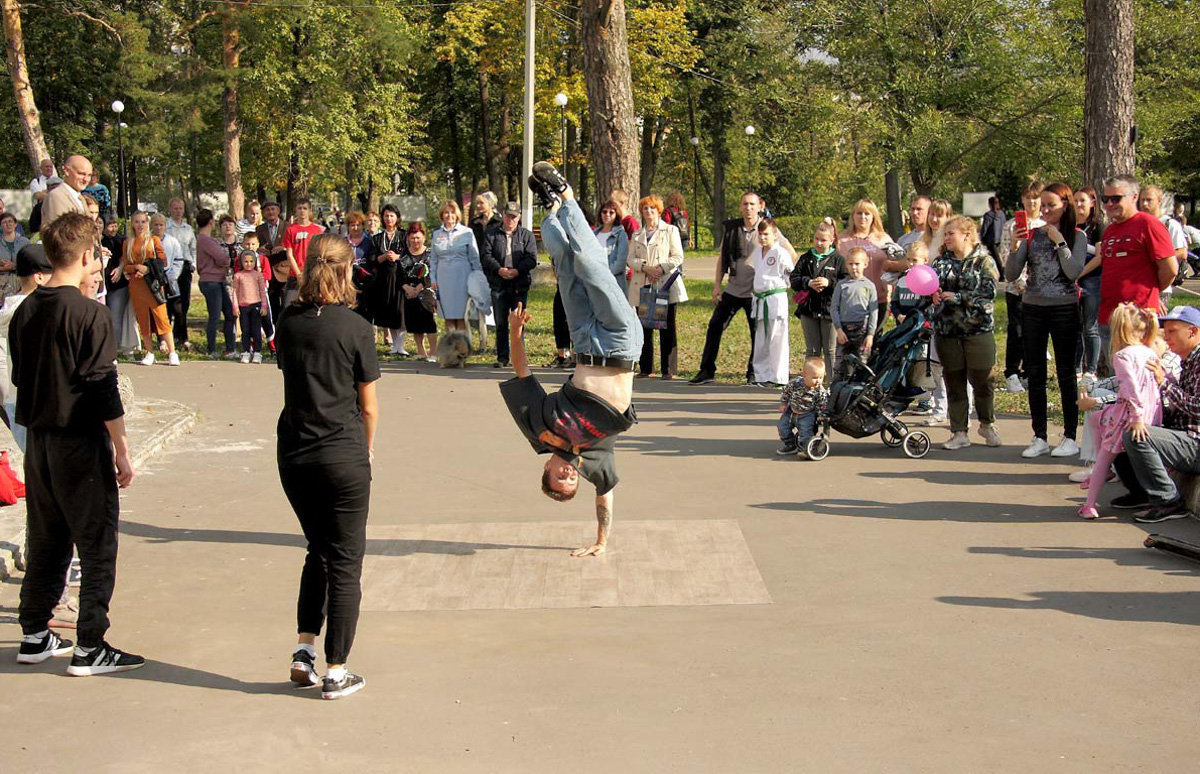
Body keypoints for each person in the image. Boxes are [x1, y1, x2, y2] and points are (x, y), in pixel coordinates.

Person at [12, 212, 141, 675]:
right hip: (77, 442)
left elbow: (19, 375)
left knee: (46, 537)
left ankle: (34, 632)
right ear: (87, 255)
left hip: (40, 441)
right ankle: (91, 644)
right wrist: (121, 449)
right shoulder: (89, 313)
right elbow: (102, 386)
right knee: (95, 540)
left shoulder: (25, 308)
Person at [503, 163, 642, 557]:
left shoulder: (538, 430)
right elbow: (606, 496)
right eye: (570, 481)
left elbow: (522, 374)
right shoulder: (595, 464)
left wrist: (516, 335)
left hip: (583, 342)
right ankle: (565, 195)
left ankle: (549, 209)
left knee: (565, 269)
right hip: (621, 345)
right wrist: (601, 540)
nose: (566, 474)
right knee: (592, 268)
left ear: (545, 470)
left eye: (557, 477)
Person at [275, 233, 380, 700]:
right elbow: (369, 405)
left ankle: (304, 651)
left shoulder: (291, 320)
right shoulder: (356, 327)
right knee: (344, 561)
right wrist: (367, 449)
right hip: (341, 452)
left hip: (295, 453)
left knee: (317, 548)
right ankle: (336, 670)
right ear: (345, 270)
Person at [1006, 181, 1087, 459]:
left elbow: (1074, 271)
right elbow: (1011, 273)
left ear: (1066, 205)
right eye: (1043, 204)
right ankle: (1039, 435)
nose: (1046, 209)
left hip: (1064, 308)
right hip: (1033, 307)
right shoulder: (1032, 235)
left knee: (1065, 373)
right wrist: (1016, 245)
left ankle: (1069, 435)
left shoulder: (1077, 236)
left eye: (1052, 204)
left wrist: (1060, 242)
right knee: (1035, 372)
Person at [1114, 305, 1200, 523]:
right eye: (1165, 331)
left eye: (1172, 331)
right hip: (1186, 436)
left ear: (1193, 331)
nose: (1166, 337)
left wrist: (1164, 384)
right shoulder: (1188, 361)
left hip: (1196, 442)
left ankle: (1169, 501)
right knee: (1124, 430)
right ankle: (1141, 494)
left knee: (1137, 436)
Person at [1076, 303, 1162, 519]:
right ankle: (1103, 470)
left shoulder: (1122, 356)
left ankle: (1090, 503)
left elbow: (1130, 388)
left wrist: (1135, 417)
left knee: (1104, 452)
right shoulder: (1149, 352)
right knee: (1096, 417)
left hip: (1128, 416)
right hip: (1151, 412)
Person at [691, 192, 774, 385]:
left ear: (760, 206)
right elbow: (722, 259)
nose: (748, 208)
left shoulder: (767, 228)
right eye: (745, 204)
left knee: (757, 334)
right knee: (715, 326)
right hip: (733, 289)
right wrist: (717, 286)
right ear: (740, 207)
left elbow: (787, 253)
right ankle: (706, 371)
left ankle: (753, 373)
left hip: (756, 293)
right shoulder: (731, 229)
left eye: (752, 204)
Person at [932, 216, 1000, 450]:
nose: (947, 237)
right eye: (945, 234)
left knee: (983, 378)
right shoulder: (941, 262)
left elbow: (988, 294)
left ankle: (986, 423)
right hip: (947, 330)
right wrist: (933, 295)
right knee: (954, 380)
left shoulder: (984, 261)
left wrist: (959, 297)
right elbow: (929, 286)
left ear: (967, 234)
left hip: (977, 329)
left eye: (951, 233)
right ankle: (959, 431)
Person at [1097, 176, 1178, 357]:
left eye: (1116, 198)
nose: (1109, 204)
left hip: (1137, 318)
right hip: (1108, 316)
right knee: (1116, 377)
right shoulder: (1110, 230)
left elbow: (1170, 269)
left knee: (1137, 377)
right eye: (1105, 199)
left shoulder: (1148, 225)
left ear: (1134, 197)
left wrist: (1151, 292)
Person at [628, 195, 686, 379]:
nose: (649, 212)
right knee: (644, 327)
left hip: (664, 284)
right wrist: (645, 267)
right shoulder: (637, 234)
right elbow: (629, 259)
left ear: (659, 211)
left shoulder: (670, 231)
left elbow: (678, 256)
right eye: (645, 209)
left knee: (667, 326)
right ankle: (646, 368)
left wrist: (660, 269)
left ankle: (668, 369)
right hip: (643, 284)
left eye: (652, 208)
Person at [0, 243, 52, 451]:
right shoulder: (29, 310)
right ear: (38, 277)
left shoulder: (11, 306)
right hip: (30, 400)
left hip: (15, 398)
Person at [998, 181, 1044, 393]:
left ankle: (1029, 370)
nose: (1031, 201)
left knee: (1034, 331)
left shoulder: (1045, 225)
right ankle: (1012, 372)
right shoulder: (1011, 225)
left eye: (1035, 197)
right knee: (1016, 330)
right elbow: (1006, 254)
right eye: (1028, 197)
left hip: (1039, 287)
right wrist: (1018, 281)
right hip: (1016, 287)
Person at [481, 201, 537, 369]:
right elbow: (485, 256)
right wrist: (499, 270)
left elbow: (531, 258)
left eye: (514, 217)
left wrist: (517, 271)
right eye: (508, 216)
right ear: (503, 215)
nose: (510, 220)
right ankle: (502, 356)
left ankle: (518, 356)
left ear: (519, 217)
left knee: (518, 322)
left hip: (519, 284)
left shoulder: (526, 236)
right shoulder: (491, 235)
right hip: (499, 284)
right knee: (501, 322)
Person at [790, 219, 846, 383]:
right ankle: (809, 385)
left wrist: (829, 283)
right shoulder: (806, 258)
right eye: (816, 239)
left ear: (832, 240)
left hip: (830, 312)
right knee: (812, 350)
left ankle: (832, 386)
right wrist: (808, 282)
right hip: (809, 310)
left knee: (830, 350)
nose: (819, 243)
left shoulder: (839, 260)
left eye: (823, 240)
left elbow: (845, 283)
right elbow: (794, 279)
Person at [123, 211, 179, 366]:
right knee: (143, 319)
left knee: (161, 317)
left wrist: (147, 268)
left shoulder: (153, 240)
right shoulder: (128, 243)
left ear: (147, 224)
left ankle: (172, 352)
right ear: (132, 224)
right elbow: (126, 266)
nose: (140, 225)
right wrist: (136, 268)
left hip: (153, 284)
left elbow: (163, 261)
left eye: (143, 222)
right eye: (137, 222)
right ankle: (150, 352)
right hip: (136, 285)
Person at [838, 199, 897, 330]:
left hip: (879, 299)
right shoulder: (842, 241)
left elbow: (895, 265)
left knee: (874, 339)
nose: (863, 217)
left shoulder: (883, 239)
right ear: (853, 216)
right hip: (851, 301)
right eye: (859, 213)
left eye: (867, 213)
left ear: (873, 217)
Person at [749, 218, 795, 387]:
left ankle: (779, 377)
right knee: (761, 338)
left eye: (766, 234)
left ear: (774, 235)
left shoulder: (780, 253)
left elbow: (790, 276)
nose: (762, 238)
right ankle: (761, 376)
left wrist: (780, 288)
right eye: (760, 234)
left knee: (777, 338)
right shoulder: (757, 253)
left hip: (775, 298)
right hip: (761, 299)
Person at [429, 200, 481, 332]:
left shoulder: (467, 232)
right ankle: (451, 348)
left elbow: (474, 258)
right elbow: (433, 259)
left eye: (452, 212)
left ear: (457, 214)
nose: (449, 215)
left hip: (462, 278)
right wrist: (433, 279)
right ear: (442, 215)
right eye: (446, 212)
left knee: (461, 316)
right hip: (443, 280)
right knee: (448, 317)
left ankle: (462, 349)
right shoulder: (436, 234)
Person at [830, 248, 877, 381]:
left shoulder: (869, 286)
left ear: (865, 264)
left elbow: (874, 311)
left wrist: (870, 334)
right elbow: (834, 308)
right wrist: (838, 329)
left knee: (861, 362)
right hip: (844, 330)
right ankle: (837, 389)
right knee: (840, 362)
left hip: (862, 330)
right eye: (850, 264)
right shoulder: (842, 285)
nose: (854, 267)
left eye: (857, 263)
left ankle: (858, 390)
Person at [1074, 186, 1105, 380]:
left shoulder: (1098, 227)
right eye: (1075, 201)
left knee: (1091, 327)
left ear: (1092, 203)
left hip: (1092, 279)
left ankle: (1091, 370)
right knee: (1074, 326)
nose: (1078, 205)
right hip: (1071, 282)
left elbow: (1100, 257)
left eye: (1082, 201)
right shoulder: (1067, 225)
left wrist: (1079, 273)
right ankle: (1076, 368)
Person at [369, 204, 408, 355]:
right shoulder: (378, 238)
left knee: (400, 310)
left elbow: (411, 255)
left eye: (391, 215)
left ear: (397, 217)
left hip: (400, 277)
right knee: (389, 310)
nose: (389, 219)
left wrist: (397, 257)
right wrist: (384, 256)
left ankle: (401, 345)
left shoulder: (403, 235)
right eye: (386, 216)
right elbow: (372, 259)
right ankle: (394, 345)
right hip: (384, 278)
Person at [195, 208, 235, 357]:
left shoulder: (204, 240)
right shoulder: (206, 240)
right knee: (215, 316)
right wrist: (226, 259)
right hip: (211, 280)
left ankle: (229, 348)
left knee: (230, 313)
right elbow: (223, 257)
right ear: (211, 222)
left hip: (217, 280)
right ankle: (212, 349)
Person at [1138, 185, 1188, 301]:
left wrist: (1157, 258)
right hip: (1138, 286)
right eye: (1142, 200)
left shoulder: (1170, 224)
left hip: (1161, 289)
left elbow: (1182, 252)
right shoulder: (1138, 223)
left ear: (1159, 201)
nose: (1144, 204)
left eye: (1149, 200)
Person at [399, 222, 438, 361]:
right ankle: (421, 352)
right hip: (409, 293)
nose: (415, 241)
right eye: (412, 238)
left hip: (426, 293)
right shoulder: (404, 254)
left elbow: (432, 273)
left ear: (424, 237)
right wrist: (407, 288)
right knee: (415, 324)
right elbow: (399, 275)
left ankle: (433, 352)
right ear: (408, 238)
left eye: (418, 238)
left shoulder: (430, 253)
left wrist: (418, 288)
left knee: (429, 323)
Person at [776, 358, 829, 457]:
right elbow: (786, 392)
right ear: (804, 375)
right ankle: (790, 445)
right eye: (814, 377)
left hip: (807, 415)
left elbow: (822, 404)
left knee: (805, 433)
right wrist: (783, 404)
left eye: (821, 377)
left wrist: (821, 415)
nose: (818, 381)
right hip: (791, 412)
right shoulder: (795, 383)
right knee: (782, 428)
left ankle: (805, 448)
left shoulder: (820, 390)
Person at [165, 199, 196, 351]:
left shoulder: (188, 228)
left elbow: (193, 247)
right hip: (170, 268)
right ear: (170, 209)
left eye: (181, 208)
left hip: (185, 266)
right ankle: (167, 336)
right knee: (171, 304)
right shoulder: (166, 227)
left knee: (184, 303)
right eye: (175, 208)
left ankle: (182, 336)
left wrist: (193, 263)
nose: (178, 211)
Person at [281, 198, 326, 304]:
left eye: (305, 208)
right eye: (299, 208)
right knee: (288, 305)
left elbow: (319, 253)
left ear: (310, 211)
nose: (302, 211)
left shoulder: (317, 230)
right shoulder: (290, 229)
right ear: (295, 210)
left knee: (312, 305)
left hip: (312, 274)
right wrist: (298, 274)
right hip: (294, 275)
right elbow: (289, 254)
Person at [150, 213, 185, 351]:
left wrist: (171, 276)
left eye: (161, 225)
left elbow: (178, 260)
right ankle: (162, 340)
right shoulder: (148, 241)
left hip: (170, 280)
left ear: (165, 226)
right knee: (161, 312)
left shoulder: (172, 241)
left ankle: (179, 337)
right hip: (154, 281)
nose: (158, 227)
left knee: (177, 310)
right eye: (156, 225)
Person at [232, 249, 267, 364]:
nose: (249, 264)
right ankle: (246, 351)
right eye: (246, 261)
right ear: (241, 262)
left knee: (256, 330)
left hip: (256, 305)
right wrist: (235, 307)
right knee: (245, 330)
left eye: (251, 261)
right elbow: (235, 292)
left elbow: (262, 291)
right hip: (243, 306)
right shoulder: (238, 276)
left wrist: (264, 306)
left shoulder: (258, 275)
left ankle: (257, 352)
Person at [42, 155, 91, 228]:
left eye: (89, 175)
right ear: (66, 171)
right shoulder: (56, 197)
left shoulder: (80, 198)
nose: (86, 179)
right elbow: (60, 234)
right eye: (81, 174)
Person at [594, 199, 630, 296]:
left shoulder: (621, 235)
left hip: (614, 283)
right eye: (604, 212)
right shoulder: (593, 234)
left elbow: (621, 262)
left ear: (616, 215)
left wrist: (605, 276)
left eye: (611, 212)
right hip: (594, 282)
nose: (607, 214)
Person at [0, 212, 31, 303]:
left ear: (15, 224)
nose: (8, 224)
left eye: (10, 222)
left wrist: (15, 265)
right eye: (5, 222)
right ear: (1, 225)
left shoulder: (25, 242)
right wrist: (2, 268)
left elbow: (30, 263)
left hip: (21, 283)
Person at [980, 196, 1006, 264]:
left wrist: (981, 238)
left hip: (991, 240)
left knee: (995, 258)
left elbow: (985, 228)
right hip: (1000, 238)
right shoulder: (1002, 214)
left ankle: (1002, 273)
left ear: (989, 204)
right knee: (998, 257)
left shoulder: (988, 215)